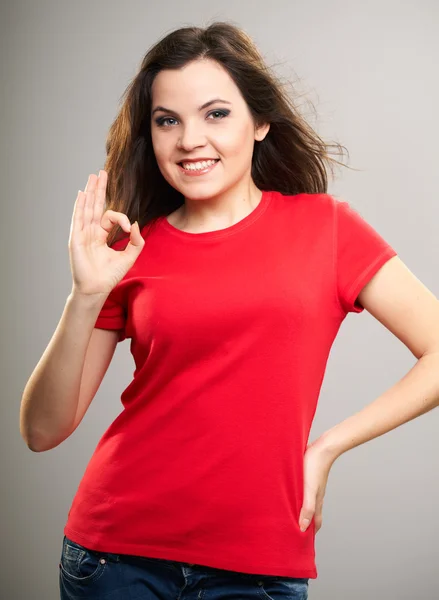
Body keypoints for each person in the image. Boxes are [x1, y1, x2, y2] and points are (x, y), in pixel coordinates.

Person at [19, 20, 439, 600]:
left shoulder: (327, 229)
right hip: (115, 555)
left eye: (216, 113)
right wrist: (83, 296)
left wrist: (327, 447)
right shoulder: (129, 253)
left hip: (258, 564)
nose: (191, 138)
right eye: (168, 120)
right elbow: (41, 431)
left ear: (260, 122)